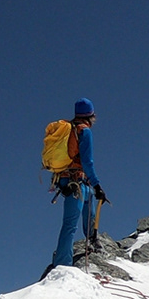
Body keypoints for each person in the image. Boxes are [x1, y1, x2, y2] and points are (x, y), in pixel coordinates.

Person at [47, 98, 105, 275]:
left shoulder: (67, 129)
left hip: (67, 181)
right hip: (77, 181)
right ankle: (63, 264)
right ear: (91, 116)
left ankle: (91, 239)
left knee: (86, 206)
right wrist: (97, 185)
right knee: (70, 223)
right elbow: (87, 162)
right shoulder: (84, 132)